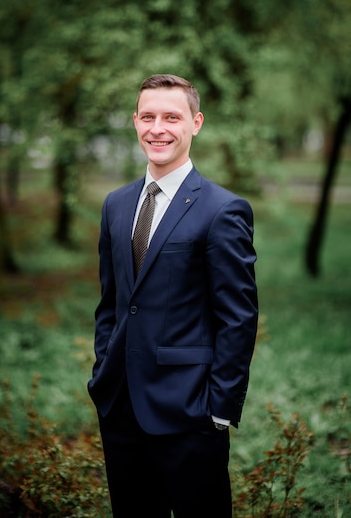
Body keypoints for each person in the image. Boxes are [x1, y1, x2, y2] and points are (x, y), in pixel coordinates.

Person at [88, 74, 258, 518]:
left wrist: (219, 410)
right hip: (120, 406)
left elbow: (238, 318)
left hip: (190, 411)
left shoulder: (222, 210)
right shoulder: (116, 204)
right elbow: (112, 301)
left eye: (171, 117)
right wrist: (102, 369)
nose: (157, 128)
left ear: (196, 123)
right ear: (135, 121)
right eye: (148, 116)